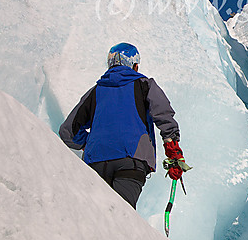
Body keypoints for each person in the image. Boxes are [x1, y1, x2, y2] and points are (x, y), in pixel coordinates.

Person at [59, 42, 189, 208]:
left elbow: (67, 132)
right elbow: (163, 115)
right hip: (131, 163)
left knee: (96, 220)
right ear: (134, 66)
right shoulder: (145, 85)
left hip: (96, 164)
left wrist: (90, 143)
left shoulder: (96, 91)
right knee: (121, 219)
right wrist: (173, 151)